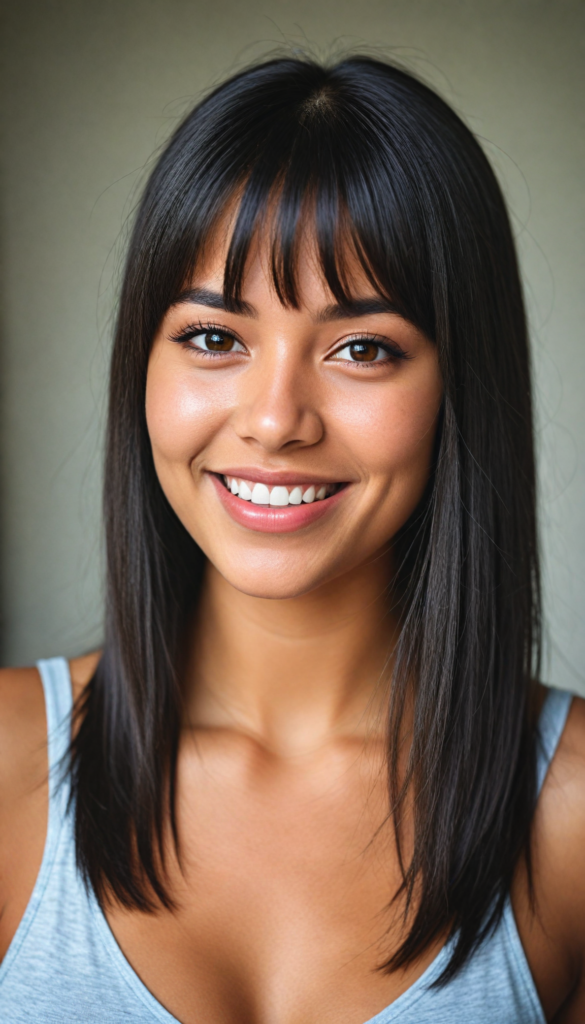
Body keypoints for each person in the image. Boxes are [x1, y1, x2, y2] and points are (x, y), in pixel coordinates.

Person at [0, 54, 583, 1024]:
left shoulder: (570, 814)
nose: (275, 420)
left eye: (363, 348)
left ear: (460, 385)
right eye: (213, 337)